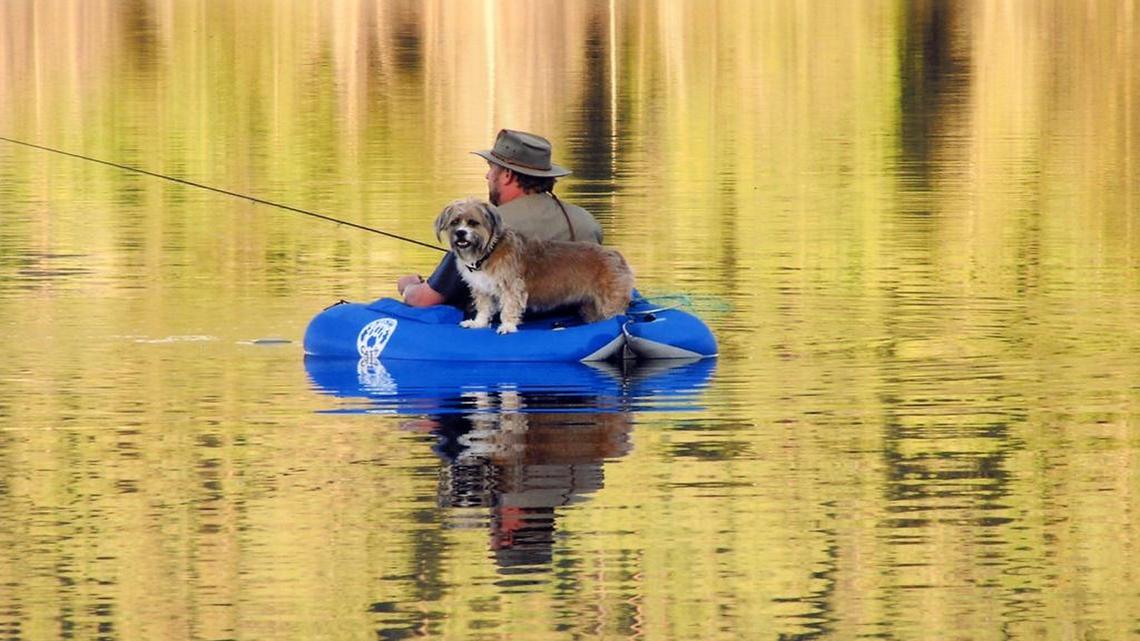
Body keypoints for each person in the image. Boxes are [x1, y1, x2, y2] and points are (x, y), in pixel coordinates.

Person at [397, 129, 603, 310]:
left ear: (507, 175)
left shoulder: (487, 228)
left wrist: (408, 285)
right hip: (572, 327)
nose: (487, 176)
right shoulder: (586, 221)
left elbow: (425, 300)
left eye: (491, 168)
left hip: (504, 333)